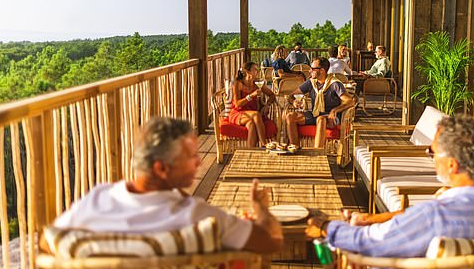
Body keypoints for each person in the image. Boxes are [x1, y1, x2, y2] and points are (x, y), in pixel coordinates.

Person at [306, 115, 474, 269]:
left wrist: (326, 226)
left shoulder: (437, 216)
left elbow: (368, 243)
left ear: (452, 165)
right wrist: (372, 220)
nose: (430, 157)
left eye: (431, 151)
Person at [43, 117, 283, 255]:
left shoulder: (96, 199)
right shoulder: (197, 217)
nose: (199, 161)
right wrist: (261, 209)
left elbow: (47, 243)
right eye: (190, 156)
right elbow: (270, 242)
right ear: (161, 168)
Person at [285, 57, 355, 148]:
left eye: (313, 69)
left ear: (322, 70)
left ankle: (317, 153)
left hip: (331, 118)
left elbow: (350, 101)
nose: (310, 71)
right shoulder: (311, 82)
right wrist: (294, 101)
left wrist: (334, 110)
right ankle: (295, 148)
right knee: (290, 116)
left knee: (321, 119)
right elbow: (291, 95)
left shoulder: (335, 84)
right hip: (315, 114)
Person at [229, 61, 276, 148]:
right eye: (255, 70)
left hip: (251, 116)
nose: (257, 72)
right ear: (247, 72)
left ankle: (251, 151)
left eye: (257, 70)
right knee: (256, 114)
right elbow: (237, 104)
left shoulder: (258, 84)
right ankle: (264, 144)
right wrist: (251, 95)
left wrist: (267, 105)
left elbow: (272, 95)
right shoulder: (238, 84)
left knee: (251, 125)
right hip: (238, 113)